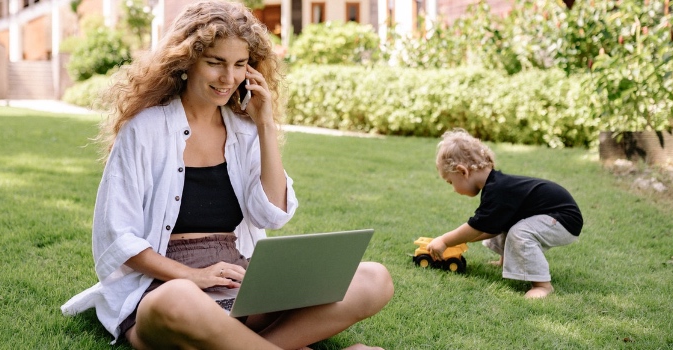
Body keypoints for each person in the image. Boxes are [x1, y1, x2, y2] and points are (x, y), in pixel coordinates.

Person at [60, 1, 394, 349]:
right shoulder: (144, 130)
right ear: (187, 61)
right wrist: (194, 276)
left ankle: (241, 343)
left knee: (374, 279)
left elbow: (272, 214)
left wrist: (265, 124)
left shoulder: (245, 131)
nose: (228, 78)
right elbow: (119, 238)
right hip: (165, 286)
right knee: (179, 299)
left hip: (238, 281)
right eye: (215, 63)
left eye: (239, 65)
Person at [426, 128, 582, 298]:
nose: (453, 189)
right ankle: (506, 261)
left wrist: (445, 240)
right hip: (551, 215)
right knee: (503, 222)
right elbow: (490, 227)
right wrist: (455, 241)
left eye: (450, 182)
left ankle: (542, 286)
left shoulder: (498, 189)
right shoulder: (495, 187)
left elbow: (477, 226)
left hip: (563, 219)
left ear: (463, 171)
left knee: (520, 231)